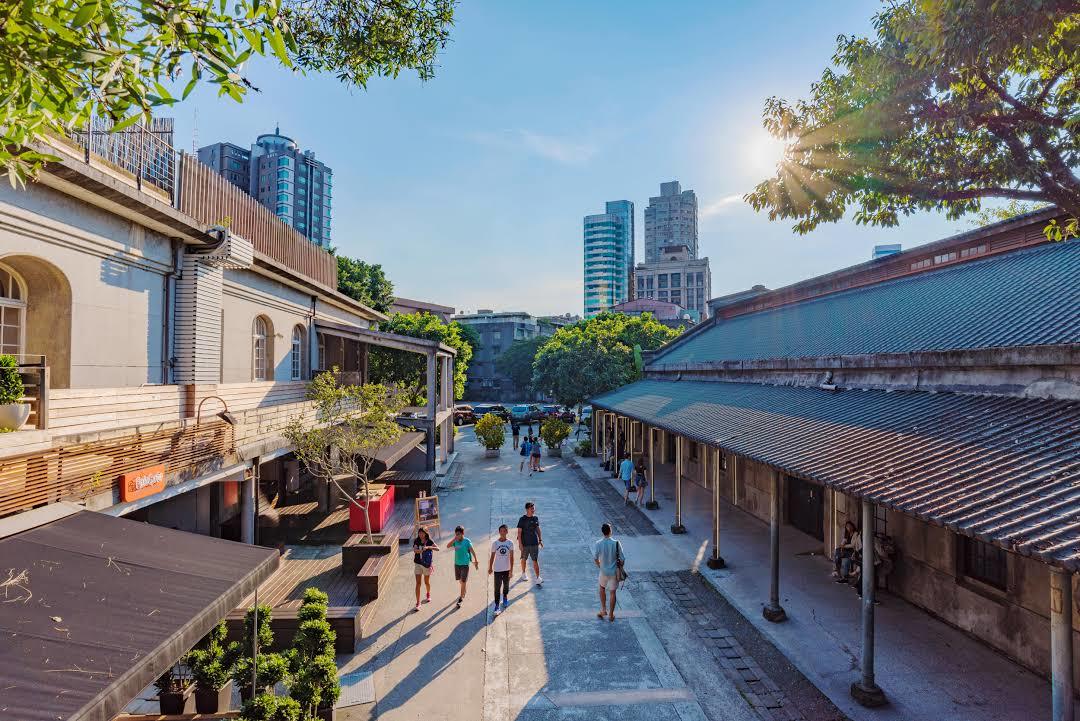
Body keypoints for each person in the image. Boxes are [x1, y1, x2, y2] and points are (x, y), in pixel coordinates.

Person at [593, 522, 624, 622]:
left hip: (603, 571)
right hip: (614, 572)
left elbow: (595, 558)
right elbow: (623, 559)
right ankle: (611, 614)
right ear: (610, 531)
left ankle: (603, 610)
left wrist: (600, 566)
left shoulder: (598, 543)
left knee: (602, 588)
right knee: (612, 593)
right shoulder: (616, 543)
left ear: (602, 532)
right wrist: (620, 567)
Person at [446, 525, 479, 607]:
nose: (457, 535)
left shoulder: (467, 541)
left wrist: (476, 559)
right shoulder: (455, 541)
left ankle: (460, 598)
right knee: (460, 581)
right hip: (457, 564)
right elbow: (447, 546)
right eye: (456, 534)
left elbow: (472, 551)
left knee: (463, 581)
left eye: (459, 534)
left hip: (465, 564)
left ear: (463, 533)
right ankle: (464, 589)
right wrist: (454, 539)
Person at [489, 524, 515, 615]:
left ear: (507, 532)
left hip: (507, 569)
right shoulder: (495, 544)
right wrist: (490, 567)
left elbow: (512, 557)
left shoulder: (510, 543)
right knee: (497, 588)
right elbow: (492, 556)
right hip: (497, 569)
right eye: (501, 531)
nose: (503, 533)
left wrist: (511, 570)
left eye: (504, 531)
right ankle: (496, 606)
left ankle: (505, 597)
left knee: (506, 586)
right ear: (499, 532)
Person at [516, 501, 543, 585]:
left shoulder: (535, 518)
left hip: (534, 543)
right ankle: (523, 573)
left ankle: (538, 578)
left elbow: (538, 529)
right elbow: (519, 533)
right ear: (527, 509)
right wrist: (520, 544)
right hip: (525, 544)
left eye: (534, 508)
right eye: (532, 509)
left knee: (535, 560)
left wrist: (540, 540)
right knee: (524, 559)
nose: (533, 510)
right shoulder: (522, 519)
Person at [412, 527, 439, 612]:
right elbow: (415, 550)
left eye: (422, 533)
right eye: (419, 533)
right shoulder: (416, 540)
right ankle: (418, 602)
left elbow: (438, 548)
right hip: (418, 564)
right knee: (418, 583)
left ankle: (428, 594)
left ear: (426, 533)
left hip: (426, 565)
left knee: (426, 582)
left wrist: (428, 547)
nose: (420, 534)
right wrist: (421, 551)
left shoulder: (429, 541)